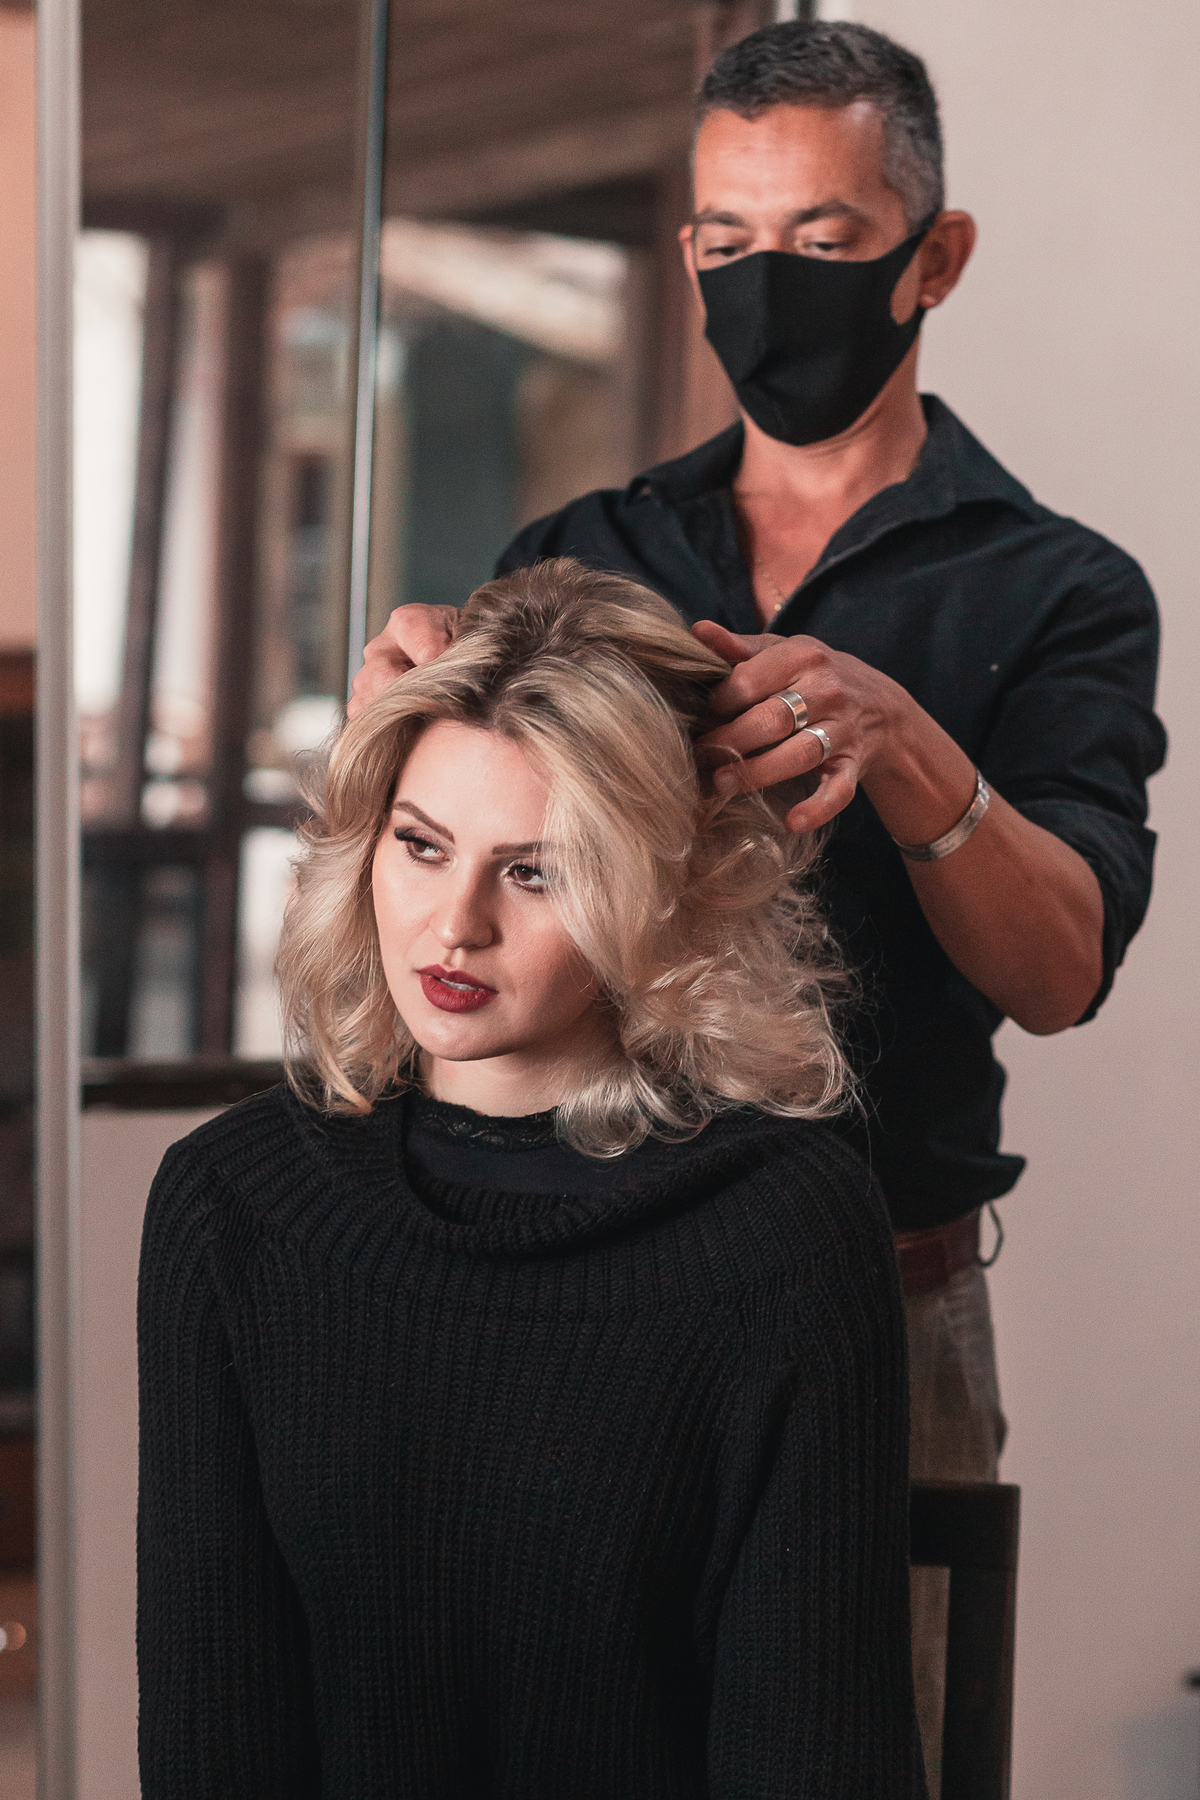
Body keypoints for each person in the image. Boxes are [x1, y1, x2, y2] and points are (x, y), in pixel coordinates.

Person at [350, 23, 1166, 1786]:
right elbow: (443, 912)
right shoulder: (583, 555)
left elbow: (1063, 969)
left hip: (883, 1300)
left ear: (933, 256)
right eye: (725, 246)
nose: (762, 285)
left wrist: (911, 753)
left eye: (819, 242)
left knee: (877, 1752)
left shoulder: (1060, 589)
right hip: (572, 1283)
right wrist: (396, 723)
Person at [138, 560, 927, 1798]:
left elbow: (817, 1755)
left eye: (535, 869)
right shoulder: (230, 1206)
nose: (454, 925)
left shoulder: (781, 1232)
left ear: (652, 893)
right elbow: (212, 1734)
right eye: (420, 844)